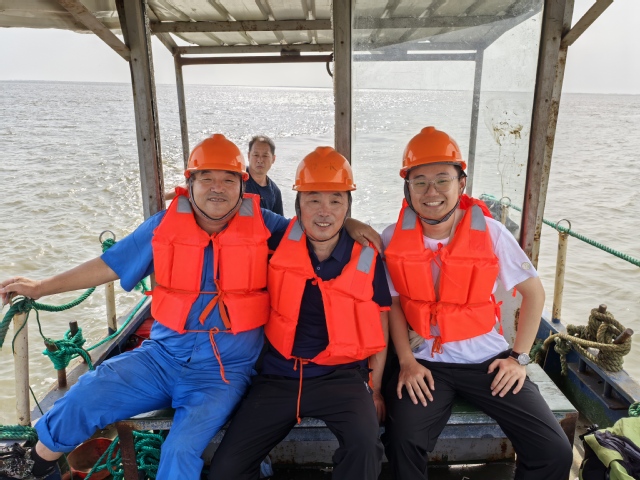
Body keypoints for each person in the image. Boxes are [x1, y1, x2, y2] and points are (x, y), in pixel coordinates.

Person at [0, 135, 378, 480]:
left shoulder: (267, 226)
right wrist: (41, 287)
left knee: (180, 452)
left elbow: (316, 226)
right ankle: (35, 464)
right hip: (159, 358)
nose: (217, 188)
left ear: (243, 185)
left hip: (223, 372)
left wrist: (352, 223)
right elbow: (109, 265)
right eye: (206, 178)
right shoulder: (163, 226)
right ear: (189, 183)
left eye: (228, 180)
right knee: (86, 394)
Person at [380, 127, 573, 480]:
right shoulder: (392, 238)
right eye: (420, 182)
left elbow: (534, 293)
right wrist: (406, 361)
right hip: (426, 364)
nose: (431, 192)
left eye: (442, 180)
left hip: (489, 361)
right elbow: (392, 304)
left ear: (461, 184)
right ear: (407, 188)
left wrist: (518, 358)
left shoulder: (492, 233)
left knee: (554, 451)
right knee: (402, 441)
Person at [209, 147, 391, 480]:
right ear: (298, 205)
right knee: (226, 470)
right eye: (313, 200)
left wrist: (375, 388)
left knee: (366, 450)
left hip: (341, 378)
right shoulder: (276, 241)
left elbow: (380, 319)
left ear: (348, 206)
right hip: (279, 375)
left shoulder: (367, 256)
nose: (324, 212)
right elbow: (223, 212)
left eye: (336, 201)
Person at [244, 135, 283, 215]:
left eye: (265, 156)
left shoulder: (275, 192)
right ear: (248, 156)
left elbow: (279, 222)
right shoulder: (236, 180)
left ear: (273, 159)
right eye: (256, 155)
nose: (260, 160)